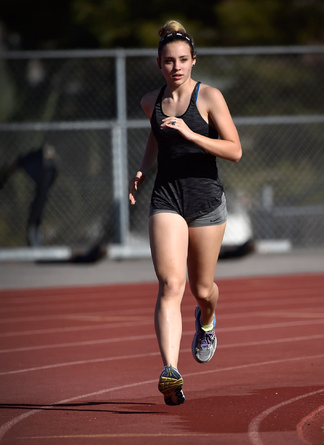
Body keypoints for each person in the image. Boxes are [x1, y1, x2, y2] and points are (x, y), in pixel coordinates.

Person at [128, 20, 241, 406]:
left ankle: (207, 321)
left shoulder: (209, 97)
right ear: (159, 63)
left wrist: (192, 134)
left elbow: (234, 150)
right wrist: (144, 168)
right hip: (167, 198)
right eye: (168, 61)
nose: (175, 67)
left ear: (193, 61)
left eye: (182, 60)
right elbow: (155, 136)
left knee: (201, 289)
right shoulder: (150, 101)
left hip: (206, 202)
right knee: (171, 284)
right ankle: (171, 372)